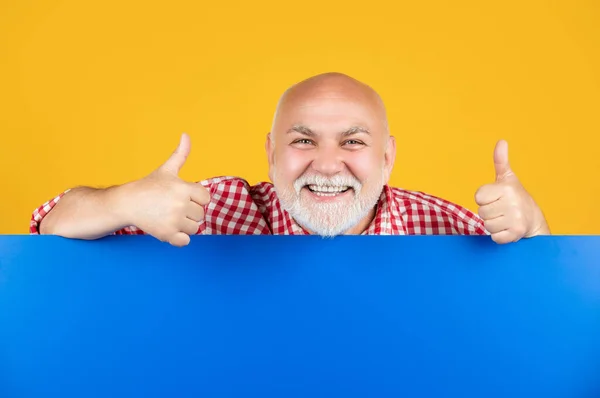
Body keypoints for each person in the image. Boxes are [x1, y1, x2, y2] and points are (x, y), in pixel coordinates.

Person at [31, 72, 551, 246]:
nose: (327, 165)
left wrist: (534, 228)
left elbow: (543, 312)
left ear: (388, 156)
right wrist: (122, 200)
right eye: (303, 141)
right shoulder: (210, 211)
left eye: (352, 142)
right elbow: (49, 227)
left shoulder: (444, 226)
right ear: (271, 153)